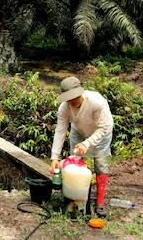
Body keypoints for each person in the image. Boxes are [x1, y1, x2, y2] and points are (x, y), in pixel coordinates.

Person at [49, 76, 114, 216]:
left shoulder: (96, 102)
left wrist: (88, 143)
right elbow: (60, 131)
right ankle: (74, 196)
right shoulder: (64, 108)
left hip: (101, 133)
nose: (71, 101)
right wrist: (54, 157)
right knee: (74, 162)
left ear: (81, 93)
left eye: (74, 97)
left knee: (101, 164)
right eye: (68, 98)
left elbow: (104, 128)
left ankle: (100, 202)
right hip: (78, 131)